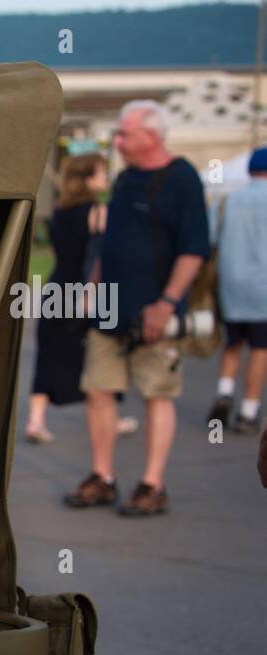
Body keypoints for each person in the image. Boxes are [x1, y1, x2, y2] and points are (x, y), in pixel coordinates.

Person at [65, 100, 210, 516]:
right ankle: (103, 476)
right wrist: (92, 288)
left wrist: (166, 304)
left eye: (125, 134)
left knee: (157, 393)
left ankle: (152, 483)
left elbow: (194, 249)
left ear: (151, 136)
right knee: (97, 389)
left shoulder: (182, 180)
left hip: (156, 312)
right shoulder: (126, 179)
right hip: (109, 307)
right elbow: (108, 243)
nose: (118, 141)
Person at [25, 154, 108, 443]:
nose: (105, 177)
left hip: (56, 286)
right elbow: (98, 257)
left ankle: (35, 420)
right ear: (87, 177)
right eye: (101, 172)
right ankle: (106, 416)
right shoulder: (98, 212)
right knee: (97, 355)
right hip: (88, 290)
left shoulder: (60, 211)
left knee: (48, 354)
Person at [207, 145, 267, 436]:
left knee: (232, 343)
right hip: (263, 288)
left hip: (230, 284)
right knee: (260, 348)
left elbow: (210, 238)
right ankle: (248, 410)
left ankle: (225, 390)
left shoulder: (227, 200)